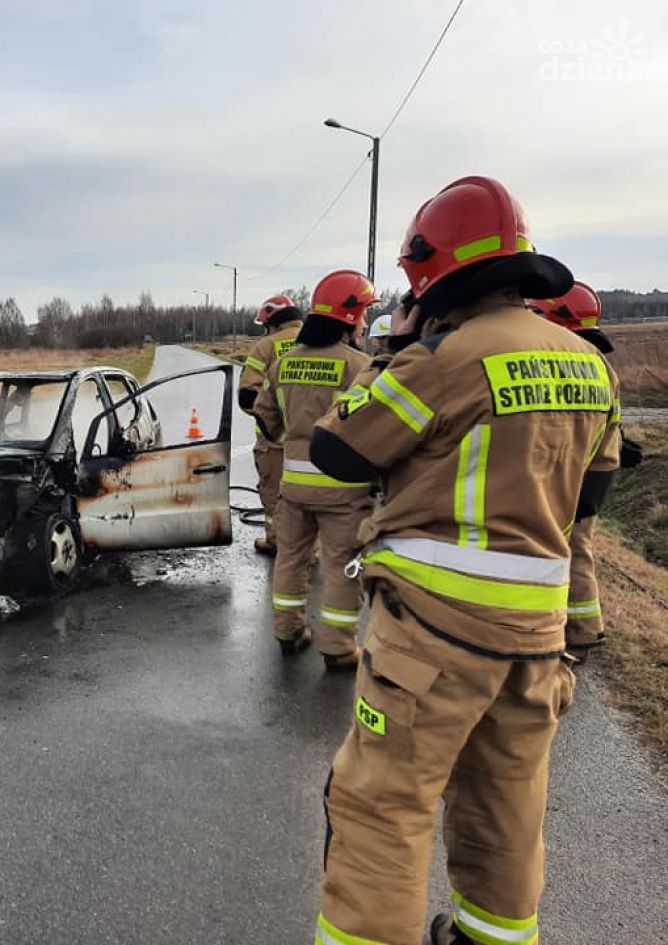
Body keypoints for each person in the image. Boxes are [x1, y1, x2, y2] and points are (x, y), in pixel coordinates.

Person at [308, 176, 621, 945]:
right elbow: (592, 496)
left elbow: (337, 448)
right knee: (508, 808)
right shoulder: (589, 362)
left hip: (431, 640)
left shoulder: (442, 359)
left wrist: (401, 347)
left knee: (383, 806)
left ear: (428, 271)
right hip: (536, 641)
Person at [252, 272, 375, 670]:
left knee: (290, 558)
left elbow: (265, 416)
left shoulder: (284, 363)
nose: (366, 323)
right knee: (342, 565)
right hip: (344, 490)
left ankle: (288, 633)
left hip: (293, 487)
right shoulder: (360, 366)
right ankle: (338, 649)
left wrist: (292, 439)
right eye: (364, 315)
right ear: (350, 317)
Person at [526, 282, 642, 662]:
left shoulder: (558, 359)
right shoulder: (599, 362)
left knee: (564, 547)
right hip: (599, 467)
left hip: (572, 467)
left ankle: (574, 632)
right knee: (579, 546)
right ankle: (584, 628)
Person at [237, 296, 304, 555]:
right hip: (317, 441)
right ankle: (314, 546)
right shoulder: (324, 342)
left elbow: (247, 397)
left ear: (272, 324)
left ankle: (277, 541)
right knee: (314, 494)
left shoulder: (266, 347)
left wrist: (273, 423)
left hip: (274, 443)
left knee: (274, 493)